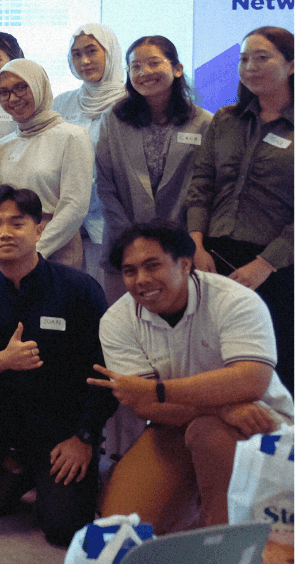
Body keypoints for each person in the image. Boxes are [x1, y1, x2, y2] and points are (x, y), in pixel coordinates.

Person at [0, 185, 114, 546]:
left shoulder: (79, 289)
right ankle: (13, 468)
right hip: (5, 421)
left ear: (39, 229)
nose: (5, 232)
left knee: (63, 529)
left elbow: (106, 371)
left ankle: (48, 472)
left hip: (65, 428)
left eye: (17, 223)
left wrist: (84, 437)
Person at [93, 222, 294, 534]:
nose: (141, 280)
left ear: (184, 264)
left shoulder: (235, 300)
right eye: (129, 270)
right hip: (174, 424)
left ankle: (222, 541)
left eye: (153, 265)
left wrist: (158, 390)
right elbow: (144, 406)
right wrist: (220, 406)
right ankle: (193, 515)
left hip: (259, 421)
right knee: (119, 531)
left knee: (207, 434)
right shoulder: (117, 321)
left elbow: (251, 381)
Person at [184, 25, 292, 391]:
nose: (250, 67)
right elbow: (201, 186)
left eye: (263, 57)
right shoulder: (226, 119)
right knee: (214, 361)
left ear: (291, 65)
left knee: (275, 368)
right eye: (244, 58)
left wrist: (265, 265)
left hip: (277, 266)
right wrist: (195, 246)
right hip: (212, 257)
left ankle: (276, 446)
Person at [96, 36, 211, 301]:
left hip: (178, 250)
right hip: (122, 250)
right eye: (135, 67)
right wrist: (132, 241)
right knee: (125, 331)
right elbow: (105, 185)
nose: (144, 72)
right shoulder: (113, 119)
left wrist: (170, 242)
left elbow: (202, 190)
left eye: (154, 63)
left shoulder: (204, 123)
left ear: (177, 68)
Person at [0, 59, 94, 268]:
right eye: (4, 92)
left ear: (39, 86)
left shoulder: (72, 136)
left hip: (56, 248)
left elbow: (75, 206)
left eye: (21, 88)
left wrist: (36, 251)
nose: (13, 98)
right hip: (7, 245)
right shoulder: (3, 145)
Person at [55, 24, 129, 281]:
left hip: (113, 223)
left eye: (91, 51)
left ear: (111, 54)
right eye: (76, 54)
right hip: (67, 225)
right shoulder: (61, 103)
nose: (84, 61)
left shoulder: (131, 103)